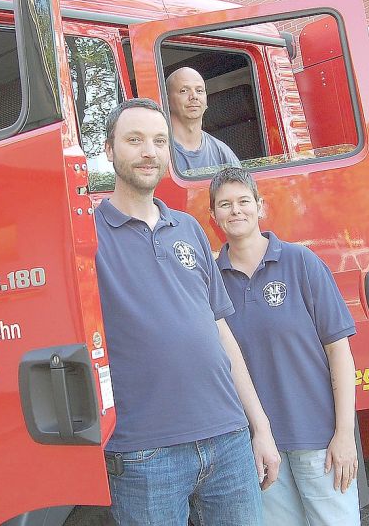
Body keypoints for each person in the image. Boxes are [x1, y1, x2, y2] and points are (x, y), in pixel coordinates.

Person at [94, 97, 280, 525]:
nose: (149, 152)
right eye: (134, 139)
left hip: (227, 438)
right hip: (144, 452)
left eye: (160, 141)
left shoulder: (190, 228)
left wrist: (261, 428)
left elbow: (222, 335)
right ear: (108, 149)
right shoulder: (85, 234)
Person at [210, 166, 360, 525]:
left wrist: (344, 434)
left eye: (244, 201)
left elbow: (339, 352)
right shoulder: (211, 278)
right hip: (259, 445)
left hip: (319, 438)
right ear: (213, 215)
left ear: (260, 206)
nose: (236, 211)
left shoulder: (301, 263)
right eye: (225, 204)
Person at [166, 67, 240, 173]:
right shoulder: (158, 150)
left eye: (199, 91)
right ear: (167, 100)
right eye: (184, 91)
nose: (194, 96)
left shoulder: (222, 153)